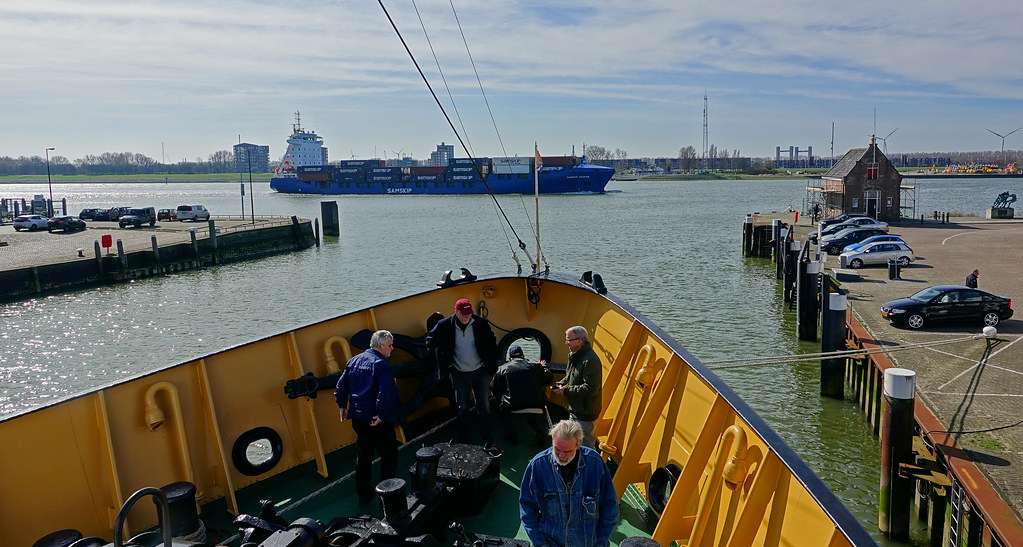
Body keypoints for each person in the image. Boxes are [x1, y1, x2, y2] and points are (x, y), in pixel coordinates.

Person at [519, 419, 619, 547]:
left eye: (567, 451)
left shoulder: (595, 464)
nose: (561, 455)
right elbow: (527, 510)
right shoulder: (537, 466)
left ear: (578, 445)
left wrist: (601, 542)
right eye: (557, 449)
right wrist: (541, 544)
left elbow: (610, 508)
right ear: (552, 441)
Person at [334, 330, 399, 505]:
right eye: (390, 345)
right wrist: (382, 414)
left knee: (363, 457)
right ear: (380, 346)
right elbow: (386, 392)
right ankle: (388, 492)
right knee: (389, 454)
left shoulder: (353, 361)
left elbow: (341, 386)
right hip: (376, 419)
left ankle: (363, 495)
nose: (392, 349)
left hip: (358, 418)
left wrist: (342, 406)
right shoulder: (382, 365)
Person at [425, 298, 499, 445]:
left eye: (469, 313)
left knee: (484, 407)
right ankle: (466, 441)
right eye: (464, 313)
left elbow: (491, 341)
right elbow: (430, 341)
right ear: (456, 312)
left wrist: (489, 362)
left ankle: (487, 439)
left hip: (480, 371)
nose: (467, 316)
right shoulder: (445, 325)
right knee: (462, 408)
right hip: (458, 372)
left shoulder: (480, 323)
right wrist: (443, 361)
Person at [491, 345, 554, 446]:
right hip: (537, 403)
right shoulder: (535, 366)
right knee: (531, 408)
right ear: (523, 356)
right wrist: (544, 367)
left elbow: (494, 388)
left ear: (510, 358)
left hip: (514, 405)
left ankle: (511, 434)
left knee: (502, 406)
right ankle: (538, 431)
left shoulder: (502, 369)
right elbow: (548, 379)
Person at [550, 326, 602, 449]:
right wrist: (561, 384)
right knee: (574, 443)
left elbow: (590, 389)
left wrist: (566, 390)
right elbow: (570, 377)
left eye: (569, 340)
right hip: (575, 409)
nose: (566, 343)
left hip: (585, 413)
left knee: (585, 446)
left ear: (579, 341)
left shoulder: (590, 361)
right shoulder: (575, 356)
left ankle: (587, 467)